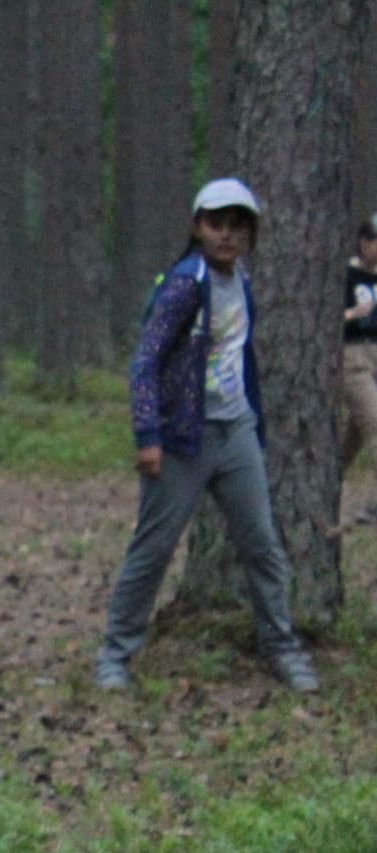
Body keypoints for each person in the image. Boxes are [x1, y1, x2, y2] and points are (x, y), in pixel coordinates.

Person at [96, 179, 318, 693]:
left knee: (262, 545)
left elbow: (240, 356)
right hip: (180, 438)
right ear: (198, 227)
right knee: (153, 548)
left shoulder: (241, 282)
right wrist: (147, 435)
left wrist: (254, 426)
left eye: (237, 226)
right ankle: (115, 653)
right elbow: (144, 361)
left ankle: (281, 646)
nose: (226, 235)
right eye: (217, 224)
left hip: (235, 429)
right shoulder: (183, 284)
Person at [344, 213, 377, 526]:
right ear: (364, 243)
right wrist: (354, 313)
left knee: (354, 433)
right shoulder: (347, 276)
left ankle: (327, 478)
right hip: (352, 357)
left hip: (375, 354)